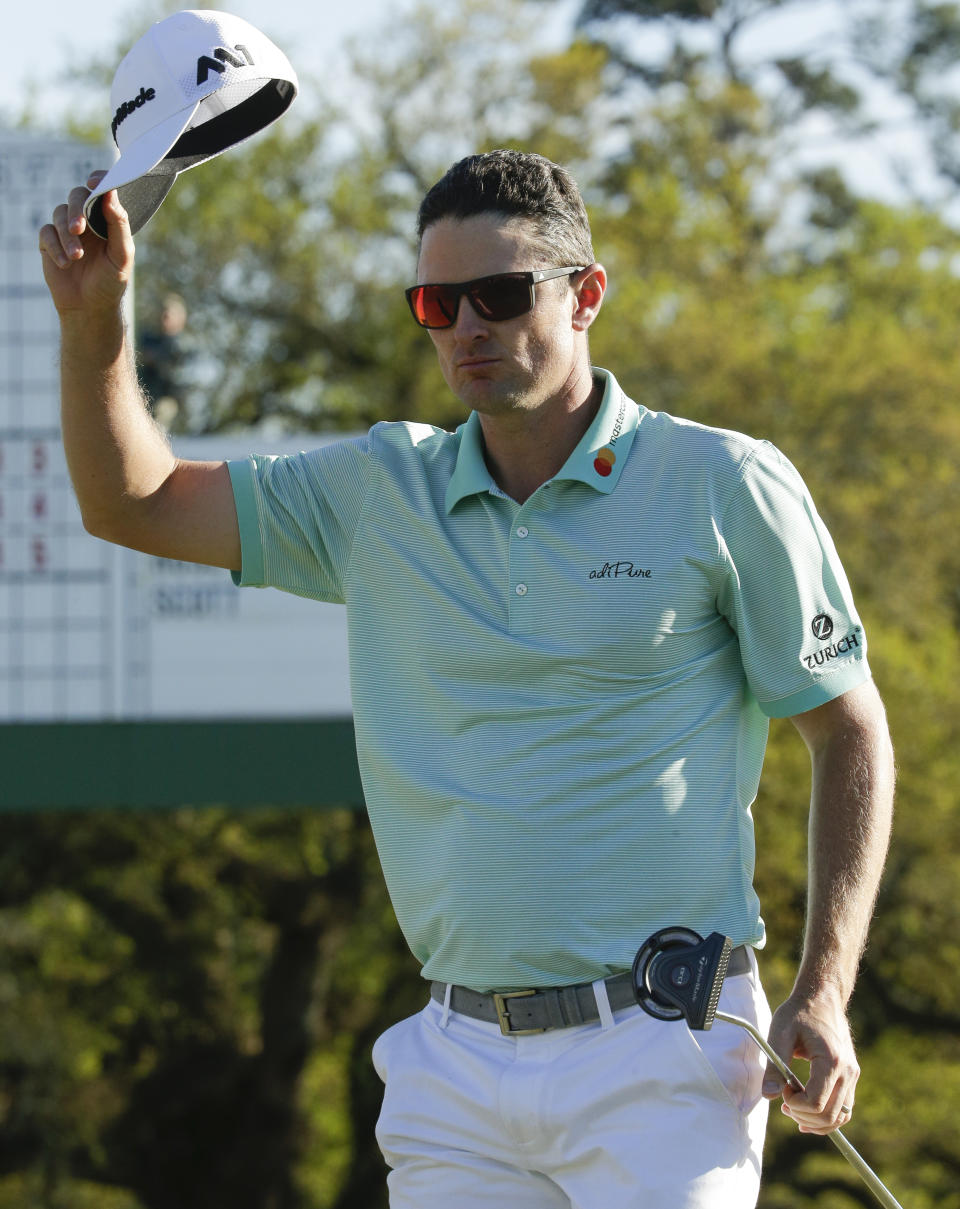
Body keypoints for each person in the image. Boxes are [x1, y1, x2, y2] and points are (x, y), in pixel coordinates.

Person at [39, 149, 895, 1209]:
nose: (465, 329)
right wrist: (95, 324)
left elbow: (848, 732)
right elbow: (134, 500)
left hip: (668, 1057)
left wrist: (825, 989)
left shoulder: (725, 484)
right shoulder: (378, 490)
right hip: (453, 1062)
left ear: (586, 295)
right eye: (436, 304)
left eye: (497, 295)